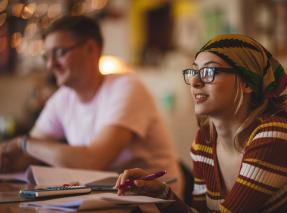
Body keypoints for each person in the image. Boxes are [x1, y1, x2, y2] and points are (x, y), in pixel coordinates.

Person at [115, 34, 287, 212]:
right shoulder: (204, 141)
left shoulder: (274, 137)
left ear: (247, 82)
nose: (195, 82)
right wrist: (161, 192)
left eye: (209, 72)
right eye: (194, 71)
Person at [0, 15, 183, 197]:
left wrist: (23, 143)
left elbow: (92, 160)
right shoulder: (62, 99)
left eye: (59, 53)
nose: (50, 64)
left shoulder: (126, 88)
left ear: (91, 49)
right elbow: (30, 152)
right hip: (108, 197)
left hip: (155, 201)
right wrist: (8, 158)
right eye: (47, 56)